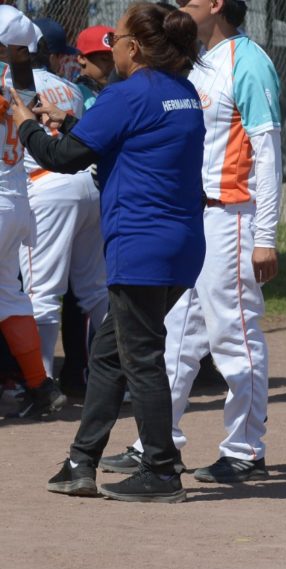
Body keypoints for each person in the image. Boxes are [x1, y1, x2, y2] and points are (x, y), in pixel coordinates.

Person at [21, 2, 206, 502]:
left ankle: (162, 472)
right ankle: (81, 463)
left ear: (134, 48)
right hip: (182, 244)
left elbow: (62, 158)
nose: (113, 47)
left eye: (118, 39)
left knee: (140, 356)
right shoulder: (183, 92)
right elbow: (136, 140)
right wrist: (74, 119)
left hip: (141, 244)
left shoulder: (126, 94)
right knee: (109, 352)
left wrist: (25, 122)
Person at [100, 0, 282, 484]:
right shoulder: (198, 61)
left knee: (234, 333)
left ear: (217, 4)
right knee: (174, 336)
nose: (180, 7)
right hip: (195, 218)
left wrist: (265, 235)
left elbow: (268, 151)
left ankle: (245, 450)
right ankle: (156, 444)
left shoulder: (248, 60)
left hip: (233, 213)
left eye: (189, 1)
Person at [18, 22, 108, 386]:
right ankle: (105, 378)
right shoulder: (70, 87)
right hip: (88, 184)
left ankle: (40, 384)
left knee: (42, 293)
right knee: (94, 290)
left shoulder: (14, 83)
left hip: (47, 187)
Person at [0, 5, 66, 419]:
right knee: (10, 295)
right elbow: (20, 74)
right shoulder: (19, 84)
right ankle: (40, 386)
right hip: (15, 201)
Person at [74, 24, 114, 107]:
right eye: (105, 59)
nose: (112, 65)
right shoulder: (77, 94)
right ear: (82, 58)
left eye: (115, 59)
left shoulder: (113, 90)